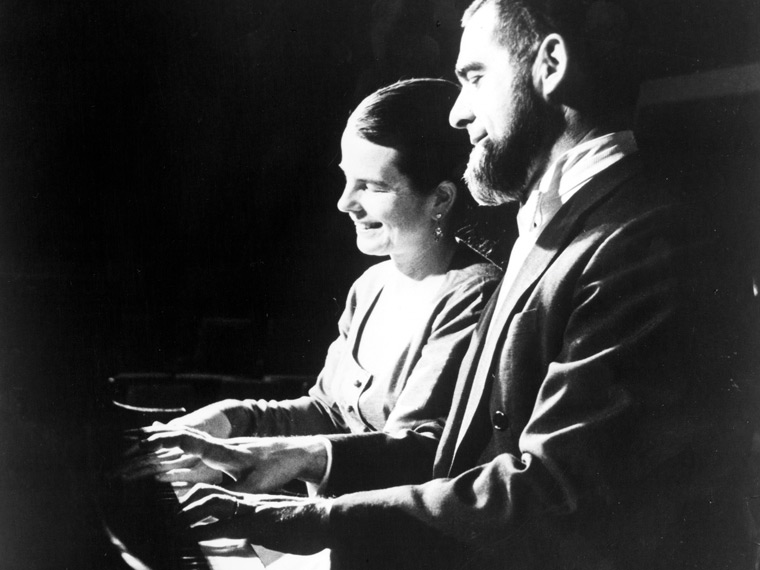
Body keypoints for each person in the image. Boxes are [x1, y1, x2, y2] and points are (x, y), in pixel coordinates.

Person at [173, 1, 755, 569]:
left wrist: (303, 522)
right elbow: (458, 453)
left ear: (550, 66)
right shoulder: (552, 225)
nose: (457, 113)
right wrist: (283, 454)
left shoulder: (645, 239)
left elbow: (554, 495)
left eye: (474, 77)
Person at [121, 78, 501, 495]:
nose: (345, 202)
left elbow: (419, 454)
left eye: (372, 187)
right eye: (346, 179)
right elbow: (327, 413)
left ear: (442, 200)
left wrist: (290, 468)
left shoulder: (474, 295)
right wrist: (228, 420)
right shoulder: (372, 285)